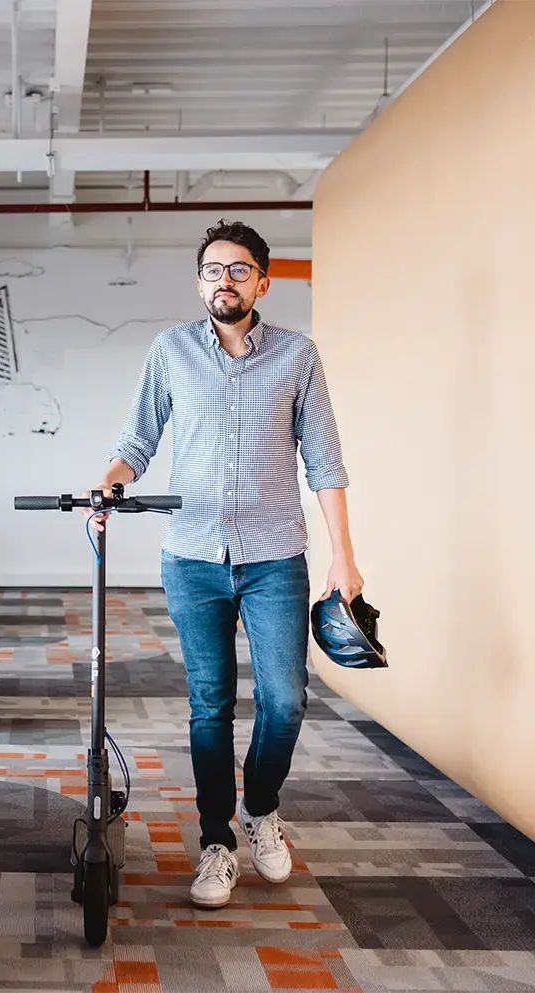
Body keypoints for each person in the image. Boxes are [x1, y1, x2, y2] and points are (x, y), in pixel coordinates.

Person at [91, 219, 362, 909]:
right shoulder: (172, 350)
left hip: (275, 554)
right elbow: (137, 439)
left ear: (263, 281)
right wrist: (111, 481)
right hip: (193, 556)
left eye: (239, 270)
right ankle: (217, 841)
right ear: (199, 281)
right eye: (213, 270)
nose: (225, 280)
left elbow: (325, 462)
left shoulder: (298, 357)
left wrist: (345, 560)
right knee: (209, 706)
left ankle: (259, 807)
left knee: (286, 699)